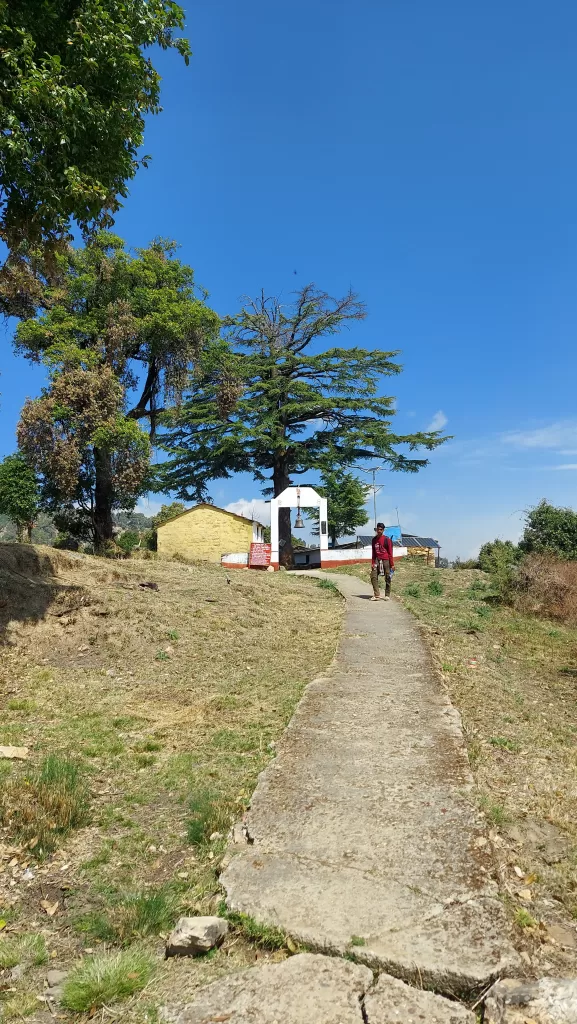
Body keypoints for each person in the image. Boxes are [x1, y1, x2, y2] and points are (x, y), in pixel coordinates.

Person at [370, 523, 394, 601]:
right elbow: (373, 552)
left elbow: (390, 553)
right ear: (376, 529)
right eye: (378, 529)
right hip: (377, 559)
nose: (379, 531)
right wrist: (373, 562)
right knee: (373, 576)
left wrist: (392, 564)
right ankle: (377, 595)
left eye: (381, 529)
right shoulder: (374, 540)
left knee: (388, 577)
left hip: (386, 560)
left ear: (383, 530)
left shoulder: (387, 540)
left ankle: (387, 595)